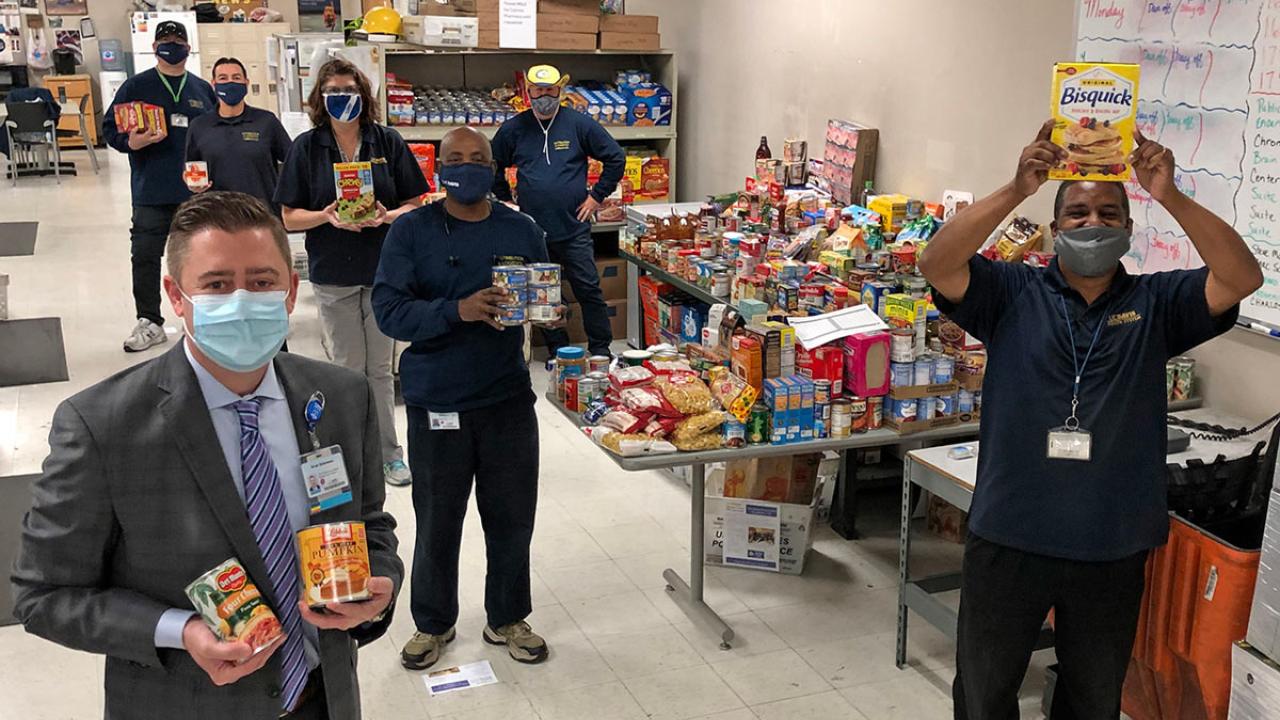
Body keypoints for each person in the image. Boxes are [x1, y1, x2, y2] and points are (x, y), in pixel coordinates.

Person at [11, 191, 404, 719]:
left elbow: (369, 525)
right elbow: (45, 596)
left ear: (290, 293)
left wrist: (380, 580)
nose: (243, 299)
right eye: (217, 284)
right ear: (176, 296)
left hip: (323, 696)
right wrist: (182, 631)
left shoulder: (339, 396)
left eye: (263, 282)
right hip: (188, 703)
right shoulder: (103, 425)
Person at [918, 121, 1264, 720]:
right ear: (1055, 230)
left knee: (1093, 698)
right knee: (984, 692)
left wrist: (1170, 196)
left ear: (1129, 228)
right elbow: (937, 261)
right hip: (1010, 534)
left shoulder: (1157, 303)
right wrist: (1016, 187)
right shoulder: (1011, 292)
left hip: (1111, 542)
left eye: (1109, 212)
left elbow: (1241, 277)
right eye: (1077, 213)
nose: (1094, 223)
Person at [373, 127, 559, 670]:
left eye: (478, 158)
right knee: (436, 518)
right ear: (439, 169)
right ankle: (433, 623)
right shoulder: (411, 232)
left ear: (494, 167)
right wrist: (457, 310)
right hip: (438, 402)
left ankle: (507, 617)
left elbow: (542, 295)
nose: (467, 165)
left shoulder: (521, 228)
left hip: (505, 398)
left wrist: (552, 315)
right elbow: (389, 311)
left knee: (511, 517)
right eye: (455, 158)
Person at [274, 58, 429, 487]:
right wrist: (325, 216)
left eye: (350, 90)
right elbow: (288, 217)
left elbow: (416, 203)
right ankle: (347, 455)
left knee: (380, 370)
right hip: (334, 273)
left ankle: (389, 455)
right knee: (345, 368)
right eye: (334, 92)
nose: (343, 99)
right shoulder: (307, 148)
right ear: (321, 100)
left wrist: (387, 215)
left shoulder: (387, 142)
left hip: (384, 271)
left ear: (364, 94)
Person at [491, 64, 626, 362]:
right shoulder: (514, 129)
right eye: (538, 91)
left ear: (559, 91)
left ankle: (601, 349)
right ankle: (556, 348)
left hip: (574, 226)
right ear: (528, 93)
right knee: (545, 291)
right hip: (532, 230)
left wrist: (596, 197)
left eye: (550, 90)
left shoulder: (579, 124)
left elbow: (615, 158)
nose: (544, 97)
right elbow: (491, 164)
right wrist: (505, 202)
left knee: (588, 288)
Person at [102, 19, 217, 353]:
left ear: (187, 47)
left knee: (201, 257)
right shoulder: (136, 87)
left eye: (177, 40)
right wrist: (132, 143)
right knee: (146, 256)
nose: (172, 45)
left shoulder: (200, 89)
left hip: (195, 191)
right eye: (165, 40)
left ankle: (204, 317)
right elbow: (111, 130)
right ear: (154, 47)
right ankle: (150, 321)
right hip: (151, 189)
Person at [185, 56, 292, 211]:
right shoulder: (199, 126)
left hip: (261, 216)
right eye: (223, 78)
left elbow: (293, 161)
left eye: (236, 78)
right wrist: (193, 184)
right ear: (213, 84)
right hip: (217, 218)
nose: (230, 83)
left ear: (246, 83)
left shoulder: (266, 122)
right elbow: (190, 168)